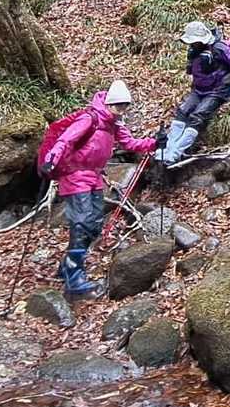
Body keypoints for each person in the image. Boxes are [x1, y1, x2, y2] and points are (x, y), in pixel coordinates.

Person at [39, 79, 162, 294]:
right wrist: (51, 158)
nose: (121, 110)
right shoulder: (90, 118)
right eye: (118, 106)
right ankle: (74, 278)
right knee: (82, 223)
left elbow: (130, 144)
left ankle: (67, 267)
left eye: (125, 106)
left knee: (94, 224)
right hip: (75, 175)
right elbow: (66, 140)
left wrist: (155, 143)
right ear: (109, 103)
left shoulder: (114, 124)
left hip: (94, 176)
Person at [157, 21, 230, 164]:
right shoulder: (193, 51)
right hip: (198, 89)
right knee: (182, 111)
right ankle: (169, 148)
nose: (193, 44)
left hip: (217, 89)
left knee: (198, 115)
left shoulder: (219, 48)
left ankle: (177, 152)